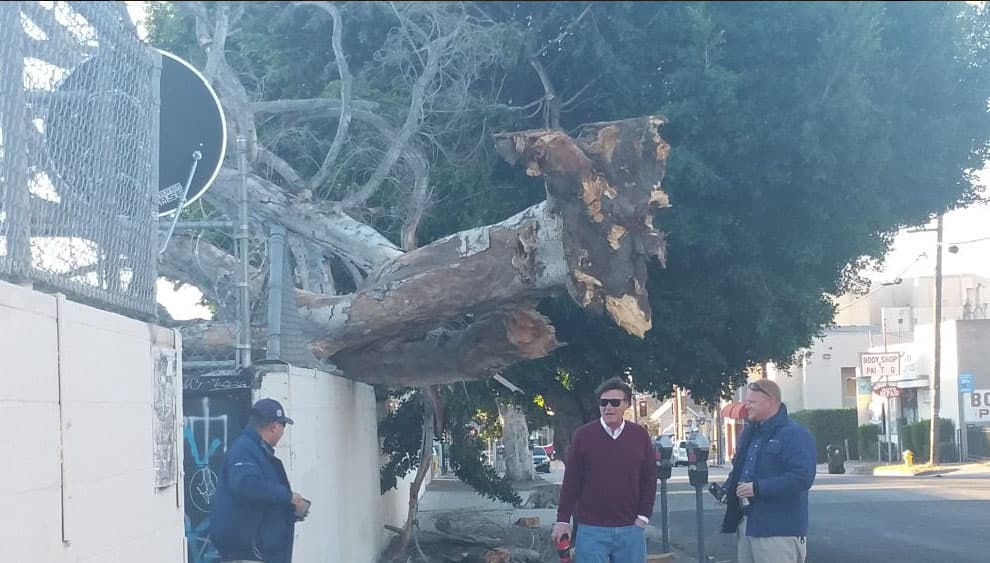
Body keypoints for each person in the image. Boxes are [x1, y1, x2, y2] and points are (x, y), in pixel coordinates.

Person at [552, 377, 658, 562]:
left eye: (615, 402)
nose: (608, 407)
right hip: (591, 529)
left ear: (626, 404)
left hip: (630, 530)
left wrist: (643, 517)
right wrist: (562, 520)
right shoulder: (583, 435)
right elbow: (572, 481)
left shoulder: (639, 435)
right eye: (603, 402)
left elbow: (649, 478)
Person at [719, 379, 816, 563]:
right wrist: (728, 489)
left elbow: (802, 477)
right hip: (747, 525)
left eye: (752, 402)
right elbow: (739, 469)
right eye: (747, 401)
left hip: (779, 530)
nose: (747, 407)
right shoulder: (749, 434)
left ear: (770, 402)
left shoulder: (794, 434)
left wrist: (757, 488)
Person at [210, 398, 308, 563]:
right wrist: (288, 496)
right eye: (283, 425)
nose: (283, 432)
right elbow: (246, 485)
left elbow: (262, 501)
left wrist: (290, 509)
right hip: (250, 555)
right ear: (274, 426)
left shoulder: (257, 451)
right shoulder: (245, 450)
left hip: (259, 553)